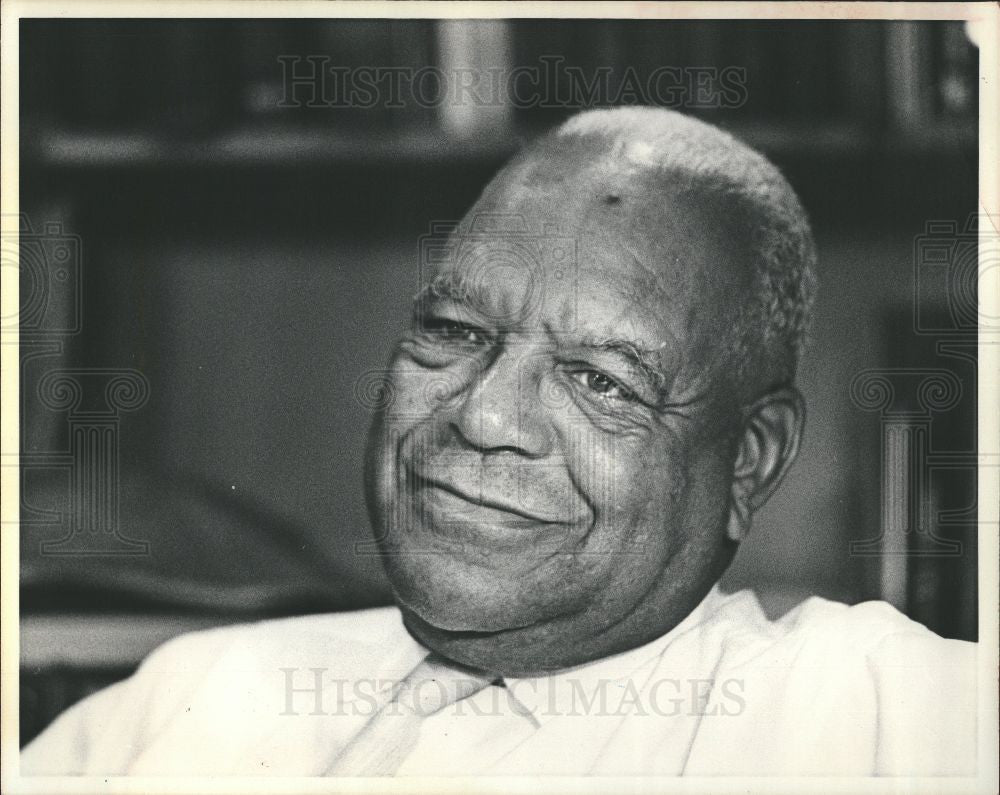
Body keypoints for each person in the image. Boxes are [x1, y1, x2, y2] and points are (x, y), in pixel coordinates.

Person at [21, 107, 976, 777]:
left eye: (602, 380)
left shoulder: (872, 715)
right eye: (455, 331)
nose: (483, 416)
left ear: (751, 459)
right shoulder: (198, 697)